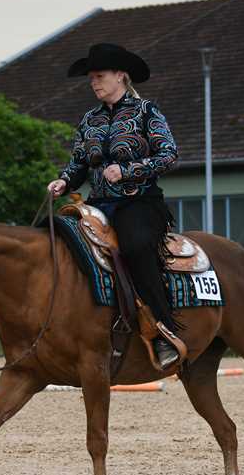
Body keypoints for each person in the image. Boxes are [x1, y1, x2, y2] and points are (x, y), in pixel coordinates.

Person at [47, 43, 182, 368]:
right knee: (59, 243)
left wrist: (127, 170)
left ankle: (163, 331)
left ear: (120, 76)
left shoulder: (146, 112)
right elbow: (79, 162)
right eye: (91, 78)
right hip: (98, 204)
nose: (94, 82)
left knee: (135, 247)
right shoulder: (89, 119)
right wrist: (64, 181)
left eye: (99, 76)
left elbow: (169, 155)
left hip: (139, 202)